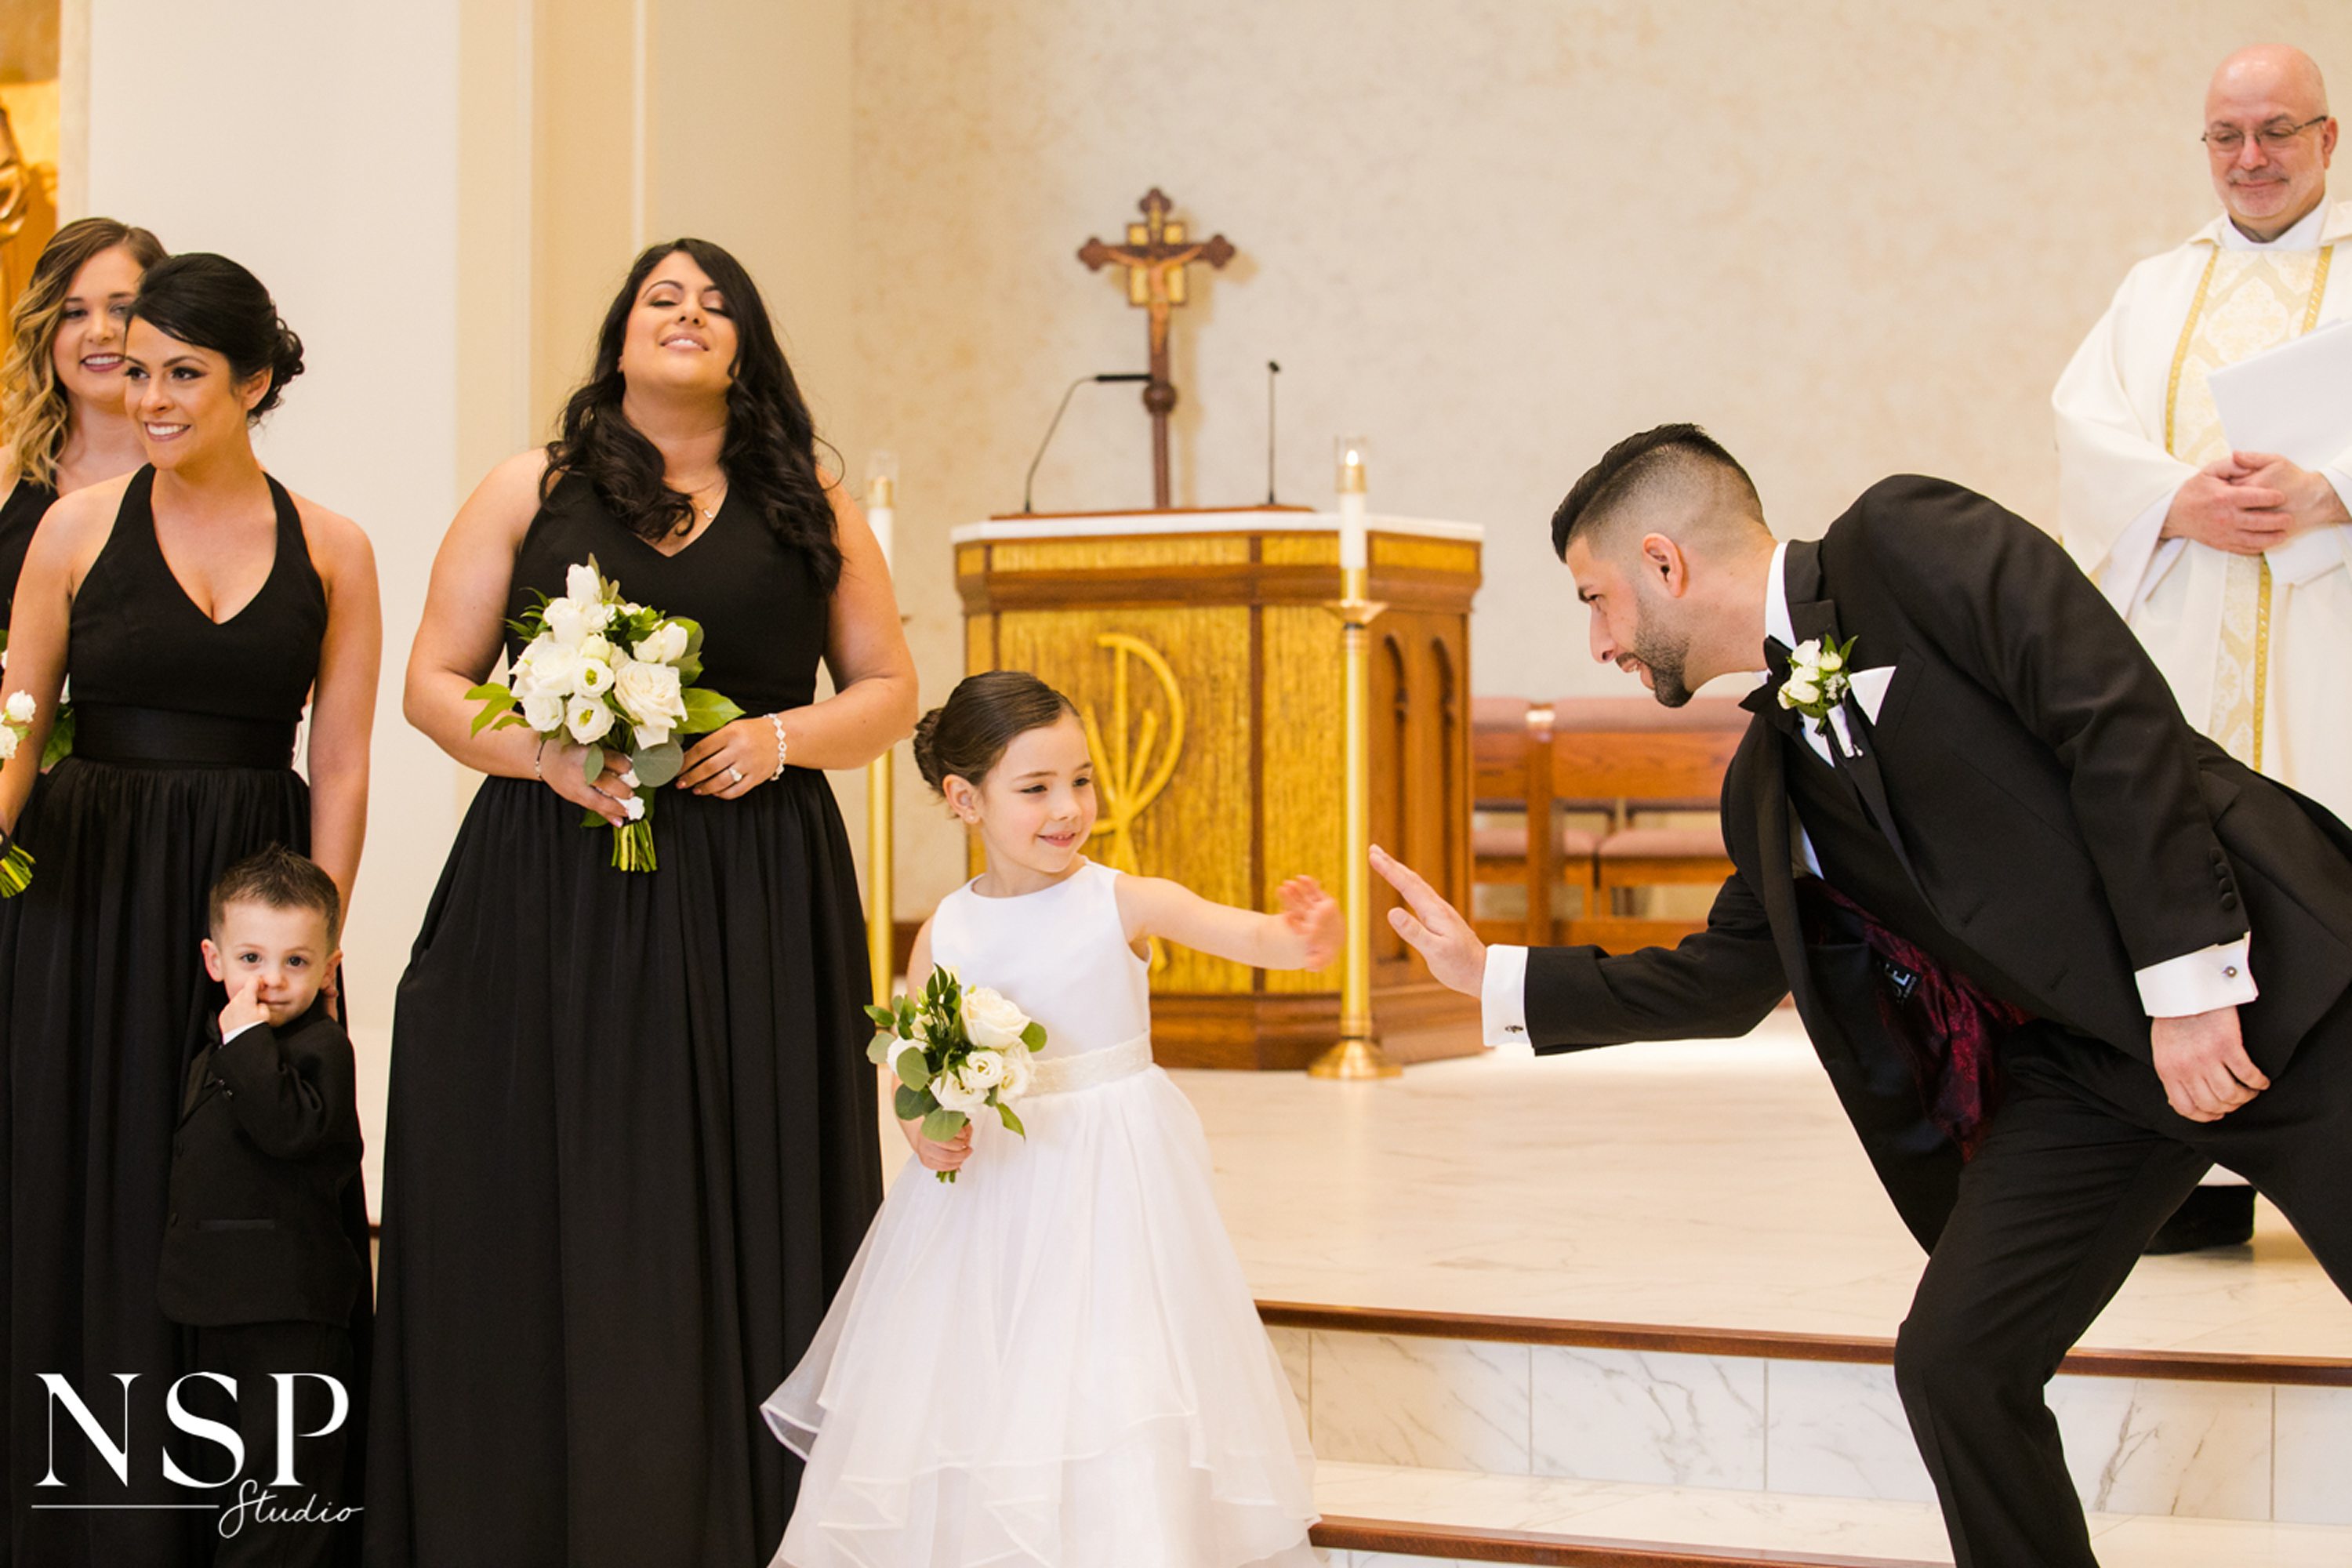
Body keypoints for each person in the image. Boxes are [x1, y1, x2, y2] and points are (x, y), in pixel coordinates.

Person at [1371, 424, 2352, 1568]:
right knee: (1957, 1364)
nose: (1598, 642)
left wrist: (2191, 989)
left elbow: (2112, 715)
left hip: (2282, 983)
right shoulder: (1769, 779)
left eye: (1597, 600)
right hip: (2095, 1074)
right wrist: (1487, 974)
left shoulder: (1907, 538)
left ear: (1664, 563)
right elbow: (1728, 977)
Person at [368, 238, 917, 1566]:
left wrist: (786, 738)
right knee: (560, 1177)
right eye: (663, 297)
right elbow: (434, 684)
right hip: (554, 878)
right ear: (621, 332)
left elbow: (888, 690)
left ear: (747, 348)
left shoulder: (810, 502)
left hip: (751, 885)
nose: (688, 314)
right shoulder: (530, 489)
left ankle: (745, 1505)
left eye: (717, 302)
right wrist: (542, 751)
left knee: (736, 1168)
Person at [764, 670, 1330, 1568]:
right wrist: (923, 1127)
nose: (1068, 807)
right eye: (1035, 788)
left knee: (1114, 1366)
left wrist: (1298, 938)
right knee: (985, 1382)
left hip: (1114, 1182)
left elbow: (1245, 934)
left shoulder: (1121, 897)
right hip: (990, 1195)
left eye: (1081, 780)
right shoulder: (945, 928)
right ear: (964, 798)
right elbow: (920, 1062)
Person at [0, 253, 379, 1566]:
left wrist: (316, 947)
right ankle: (80, 1522)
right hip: (88, 890)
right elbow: (17, 729)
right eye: (137, 370)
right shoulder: (72, 530)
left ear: (254, 382)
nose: (150, 398)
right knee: (84, 1172)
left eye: (182, 375)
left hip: (247, 892)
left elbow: (337, 761)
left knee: (247, 1188)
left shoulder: (333, 547)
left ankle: (246, 1520)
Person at [2055, 44, 2347, 1251]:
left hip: (2333, 656)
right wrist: (2179, 500)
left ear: (2329, 139)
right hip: (2185, 653)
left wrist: (2331, 491)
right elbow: (2086, 434)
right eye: (2228, 136)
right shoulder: (2153, 292)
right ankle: (2193, 1181)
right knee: (2188, 882)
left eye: (2278, 130)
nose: (2253, 158)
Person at [162, 846, 365, 1564]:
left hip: (290, 1312)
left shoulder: (320, 1050)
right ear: (214, 961)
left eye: (296, 962)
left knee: (285, 1501)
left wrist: (245, 1040)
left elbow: (291, 1131)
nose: (271, 980)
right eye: (251, 959)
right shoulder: (216, 1053)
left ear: (330, 968)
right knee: (235, 1489)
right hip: (219, 1305)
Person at [2, 217, 166, 627]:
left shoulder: (213, 481)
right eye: (74, 313)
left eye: (121, 309)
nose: (100, 332)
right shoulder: (4, 478)